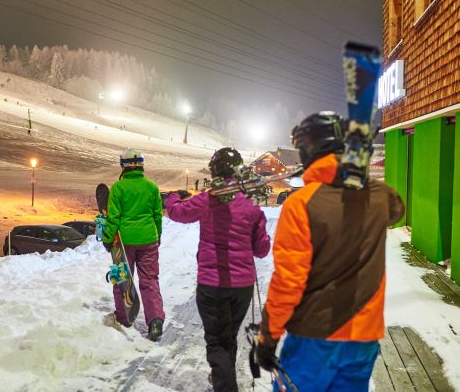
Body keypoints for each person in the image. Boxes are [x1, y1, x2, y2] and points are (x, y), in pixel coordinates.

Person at [257, 112, 405, 391]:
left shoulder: (300, 204)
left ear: (309, 150)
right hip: (364, 337)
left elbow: (289, 282)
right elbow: (397, 208)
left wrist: (268, 336)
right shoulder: (377, 196)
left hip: (314, 337)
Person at [166, 147, 271, 392]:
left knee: (218, 343)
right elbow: (262, 249)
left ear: (215, 171)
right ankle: (223, 376)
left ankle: (225, 384)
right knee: (227, 337)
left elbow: (177, 212)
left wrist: (173, 196)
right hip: (242, 287)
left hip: (212, 285)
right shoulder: (251, 206)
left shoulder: (207, 200)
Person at [102, 148, 165, 341]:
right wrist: (158, 235)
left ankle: (123, 318)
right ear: (141, 164)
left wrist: (107, 238)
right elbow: (157, 216)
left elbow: (113, 218)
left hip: (124, 242)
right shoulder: (152, 187)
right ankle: (155, 321)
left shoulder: (118, 188)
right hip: (149, 240)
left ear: (123, 165)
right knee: (150, 281)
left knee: (122, 280)